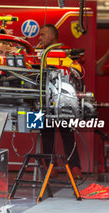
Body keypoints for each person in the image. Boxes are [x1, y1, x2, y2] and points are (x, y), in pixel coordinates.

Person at [39, 24, 83, 179]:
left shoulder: (66, 53)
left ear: (52, 36)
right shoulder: (39, 54)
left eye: (43, 34)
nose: (40, 38)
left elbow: (79, 72)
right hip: (44, 101)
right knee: (46, 134)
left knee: (68, 134)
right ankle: (50, 168)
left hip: (64, 100)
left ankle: (75, 168)